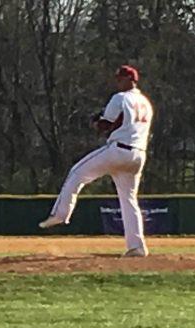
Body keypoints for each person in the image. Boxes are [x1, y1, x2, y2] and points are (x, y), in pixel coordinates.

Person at [39, 65, 154, 257]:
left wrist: (95, 121)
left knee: (77, 173)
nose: (117, 82)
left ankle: (60, 214)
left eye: (120, 79)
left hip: (119, 150)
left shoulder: (120, 98)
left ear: (130, 80)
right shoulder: (146, 102)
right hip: (138, 154)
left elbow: (105, 125)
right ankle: (137, 246)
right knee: (129, 200)